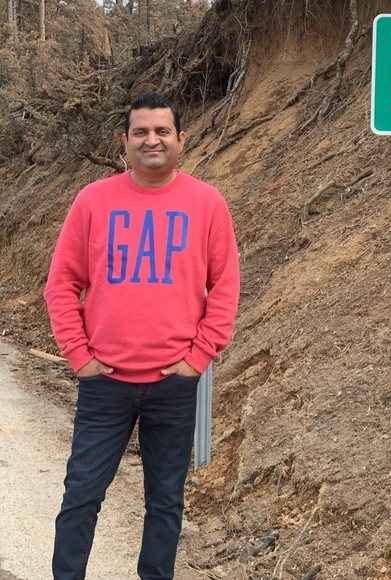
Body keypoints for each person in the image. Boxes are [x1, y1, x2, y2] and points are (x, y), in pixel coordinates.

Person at [44, 92, 240, 579]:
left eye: (162, 131)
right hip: (104, 383)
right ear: (125, 141)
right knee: (81, 495)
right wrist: (79, 355)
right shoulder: (93, 200)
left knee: (165, 503)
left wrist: (198, 358)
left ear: (181, 139)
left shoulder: (207, 204)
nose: (152, 140)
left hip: (173, 384)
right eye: (141, 132)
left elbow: (225, 287)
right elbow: (61, 283)